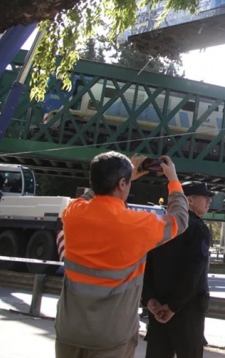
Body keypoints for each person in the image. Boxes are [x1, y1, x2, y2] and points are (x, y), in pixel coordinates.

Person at [55, 152, 189, 358]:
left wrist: (126, 177)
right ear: (121, 185)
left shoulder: (73, 213)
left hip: (69, 332)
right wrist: (173, 180)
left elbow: (87, 198)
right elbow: (179, 219)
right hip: (111, 338)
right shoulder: (136, 225)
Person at [143, 181, 214, 358]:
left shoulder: (160, 223)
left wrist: (150, 299)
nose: (209, 200)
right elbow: (194, 273)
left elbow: (145, 264)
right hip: (187, 312)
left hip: (156, 309)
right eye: (205, 197)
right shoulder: (198, 228)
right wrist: (173, 306)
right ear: (189, 200)